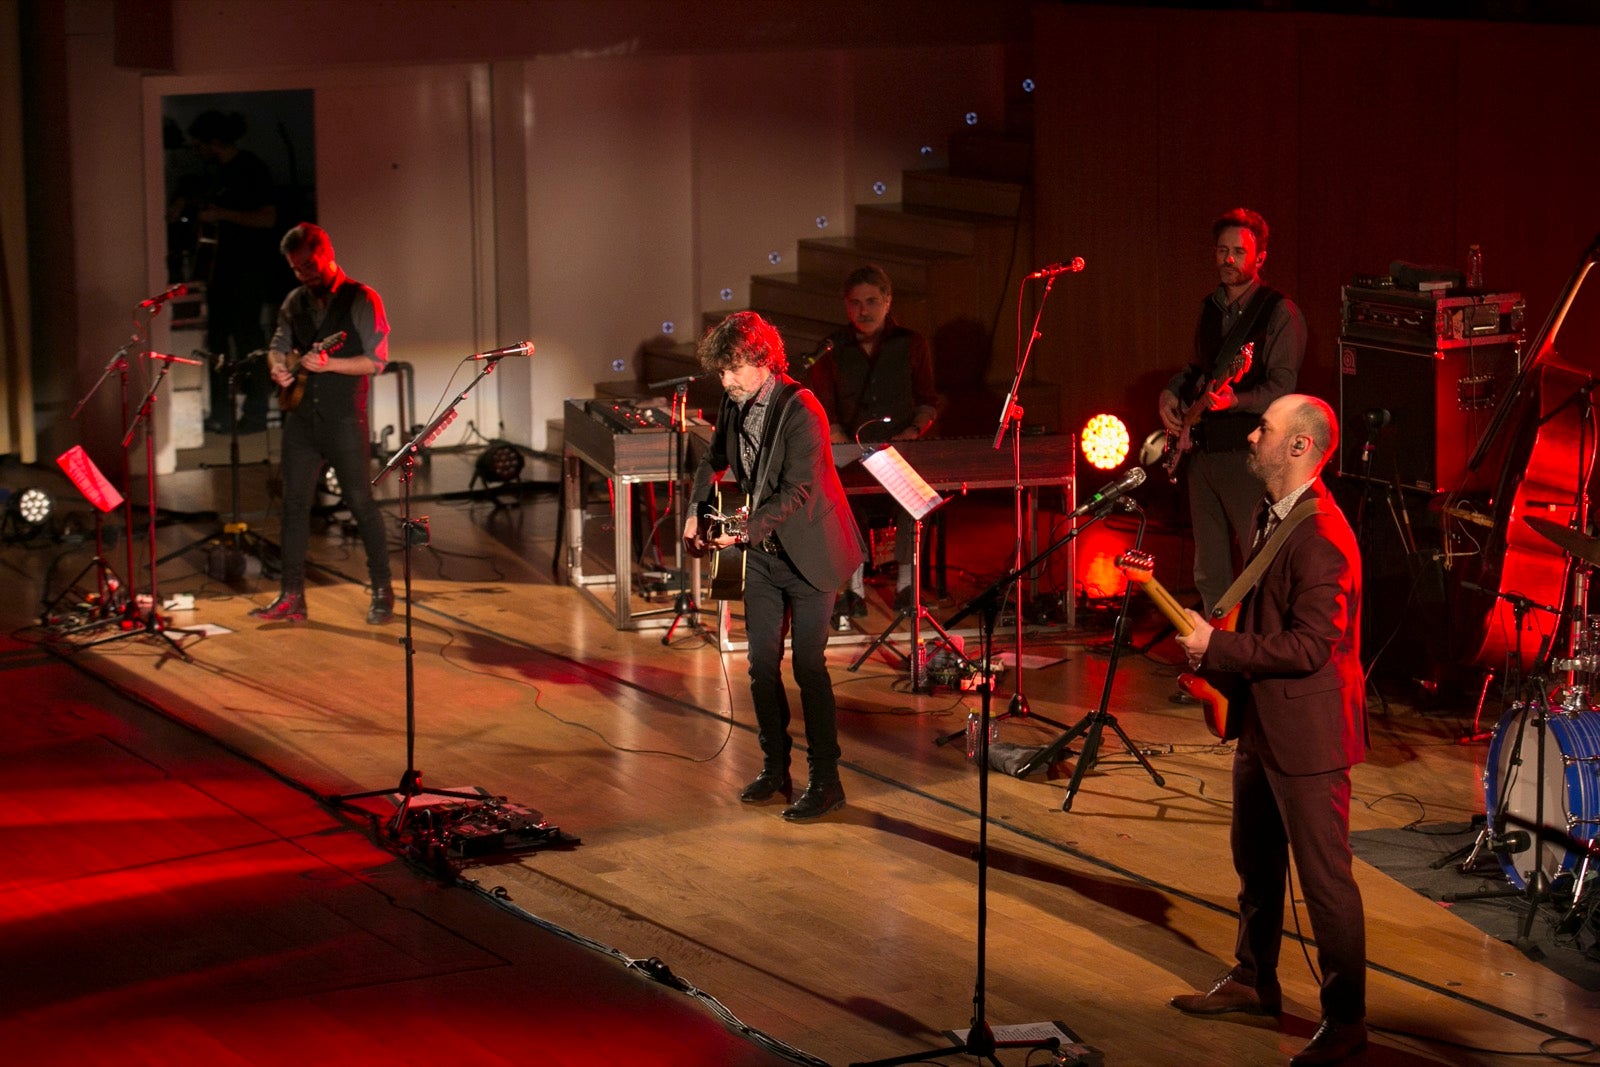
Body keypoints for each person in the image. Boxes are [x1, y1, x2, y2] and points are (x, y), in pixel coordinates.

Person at [1169, 394, 1368, 1067]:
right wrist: (1214, 666)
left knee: (1325, 882)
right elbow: (1262, 626)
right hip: (1263, 721)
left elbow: (1312, 646)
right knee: (1255, 861)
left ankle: (1346, 1022)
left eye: (1266, 429)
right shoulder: (1272, 515)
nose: (1252, 435)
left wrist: (1218, 652)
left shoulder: (1322, 537)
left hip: (1308, 736)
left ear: (1301, 448)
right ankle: (1255, 979)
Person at [684, 312, 865, 821]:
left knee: (808, 666)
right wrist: (697, 513)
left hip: (811, 555)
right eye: (721, 371)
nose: (725, 380)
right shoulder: (735, 400)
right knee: (762, 665)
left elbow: (797, 491)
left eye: (733, 368)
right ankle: (775, 768)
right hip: (764, 555)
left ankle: (827, 781)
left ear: (763, 359)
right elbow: (711, 459)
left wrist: (739, 531)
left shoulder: (804, 410)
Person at [1159, 208, 1306, 617]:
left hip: (1250, 456)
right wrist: (1170, 394)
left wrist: (1235, 401)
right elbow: (1198, 369)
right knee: (1209, 569)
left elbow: (1283, 389)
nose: (1228, 260)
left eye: (1239, 252)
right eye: (1222, 250)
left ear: (1260, 258)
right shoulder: (1209, 307)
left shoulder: (1279, 312)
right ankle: (1215, 655)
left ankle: (1256, 656)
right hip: (1203, 453)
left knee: (1258, 562)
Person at [250, 223, 393, 626]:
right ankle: (291, 595)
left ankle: (382, 590)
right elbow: (277, 348)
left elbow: (376, 361)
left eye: (310, 265)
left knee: (360, 503)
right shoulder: (294, 301)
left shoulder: (362, 298)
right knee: (294, 506)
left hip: (344, 418)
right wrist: (279, 369)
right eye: (297, 269)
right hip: (300, 420)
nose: (304, 274)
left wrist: (332, 365)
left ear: (327, 253)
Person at [806, 265, 937, 625]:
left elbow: (927, 401)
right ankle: (853, 589)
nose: (863, 311)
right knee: (842, 499)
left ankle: (908, 586)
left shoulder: (912, 343)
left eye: (872, 302)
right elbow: (823, 409)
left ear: (888, 300)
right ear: (845, 305)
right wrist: (840, 437)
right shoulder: (832, 348)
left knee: (915, 498)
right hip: (850, 450)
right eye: (855, 303)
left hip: (901, 447)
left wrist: (912, 431)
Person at [177, 110, 281, 435]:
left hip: (246, 270)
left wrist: (222, 214)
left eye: (200, 145)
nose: (198, 152)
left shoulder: (250, 168)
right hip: (218, 272)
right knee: (218, 345)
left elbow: (267, 218)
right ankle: (221, 414)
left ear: (215, 142)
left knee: (249, 340)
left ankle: (255, 415)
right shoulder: (215, 173)